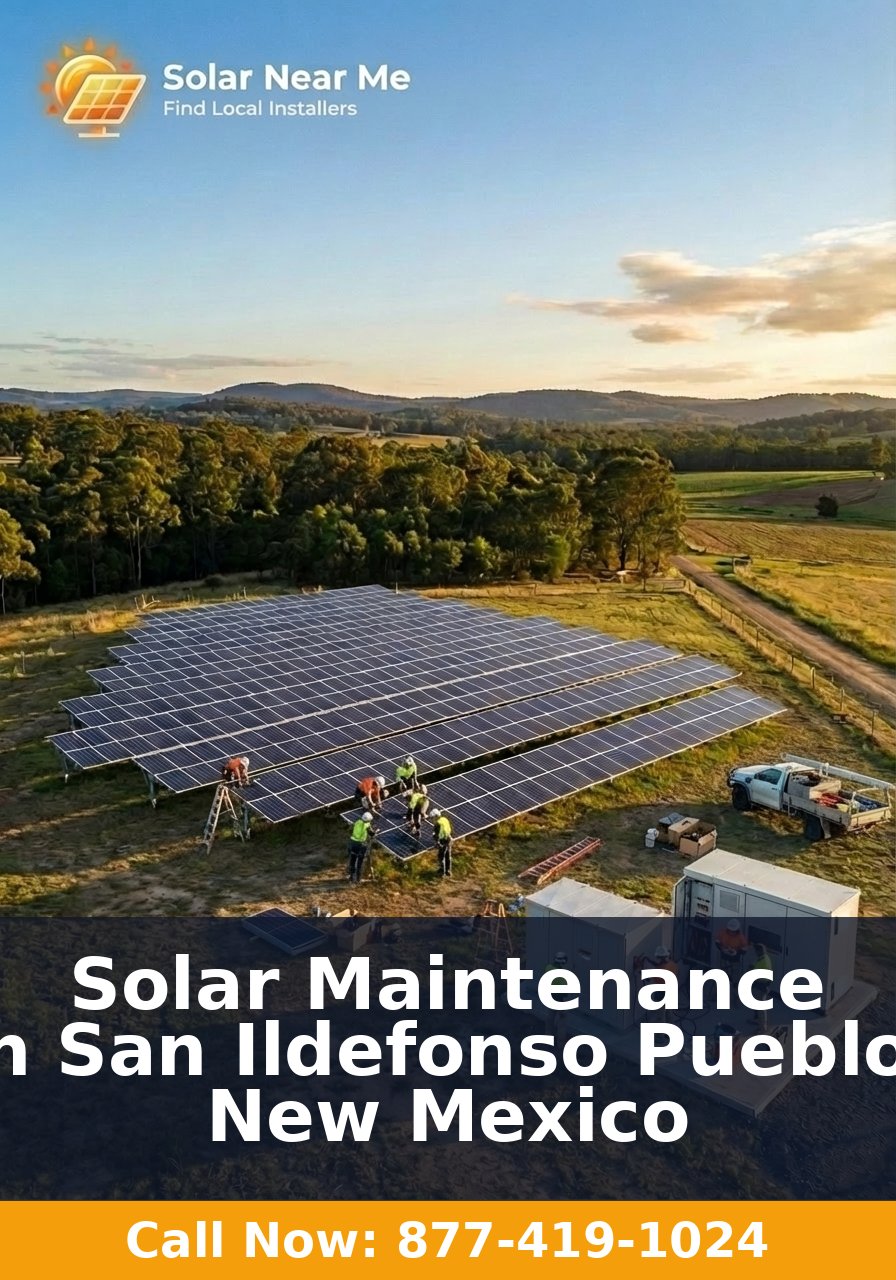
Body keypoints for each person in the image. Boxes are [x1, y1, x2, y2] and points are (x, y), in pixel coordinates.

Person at [347, 812, 375, 884]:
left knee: (352, 860)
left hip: (352, 842)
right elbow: (371, 833)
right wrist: (375, 832)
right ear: (368, 820)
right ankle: (358, 879)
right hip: (360, 844)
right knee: (360, 862)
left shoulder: (357, 822)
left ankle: (351, 877)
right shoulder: (367, 825)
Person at [430, 809, 453, 877]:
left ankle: (442, 872)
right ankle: (448, 871)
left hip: (443, 841)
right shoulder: (444, 819)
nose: (432, 819)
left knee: (441, 856)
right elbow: (449, 828)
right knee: (448, 856)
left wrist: (437, 843)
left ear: (436, 816)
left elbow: (436, 835)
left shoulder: (437, 824)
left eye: (432, 818)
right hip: (449, 839)